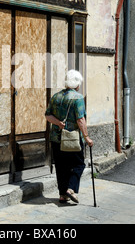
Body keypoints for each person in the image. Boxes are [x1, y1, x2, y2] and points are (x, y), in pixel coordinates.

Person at [45, 69, 94, 204]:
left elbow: (48, 116)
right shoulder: (78, 98)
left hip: (56, 138)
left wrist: (59, 123)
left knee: (61, 166)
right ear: (77, 84)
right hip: (72, 139)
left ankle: (62, 195)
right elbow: (80, 120)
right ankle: (71, 189)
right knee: (79, 164)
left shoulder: (55, 96)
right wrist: (87, 137)